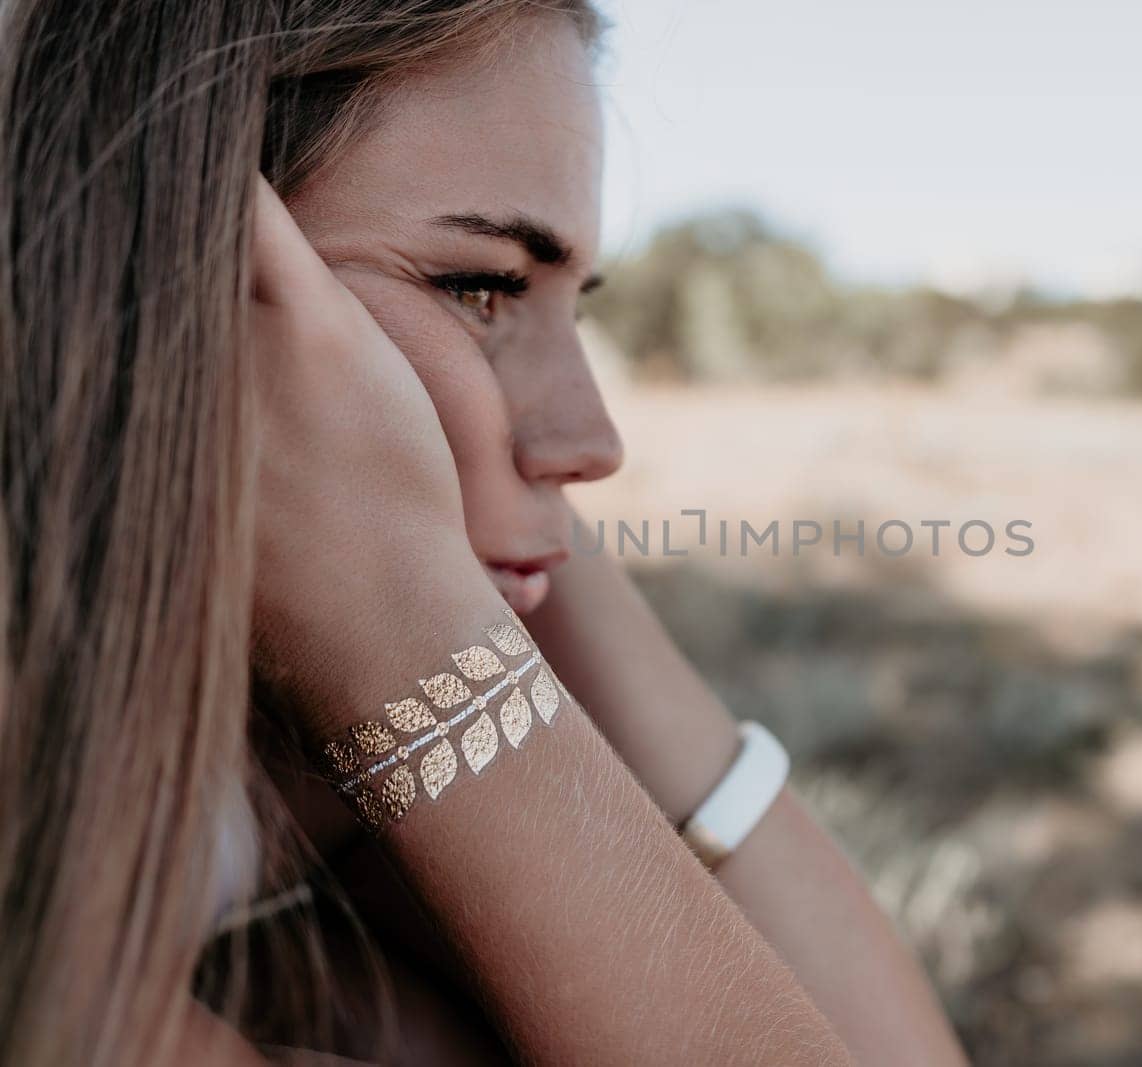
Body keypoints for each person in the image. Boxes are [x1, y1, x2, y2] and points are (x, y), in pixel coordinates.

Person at [0, 1, 967, 1063]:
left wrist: (465, 552)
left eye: (570, 307)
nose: (594, 441)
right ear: (150, 269)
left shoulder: (269, 730)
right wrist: (411, 633)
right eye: (481, 285)